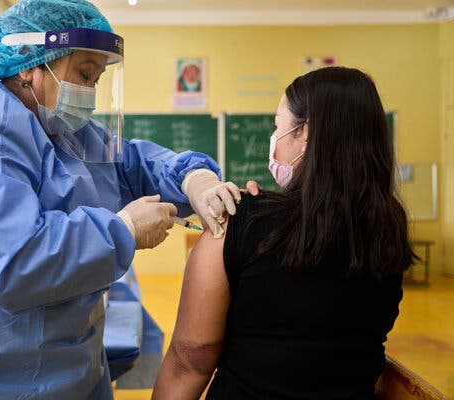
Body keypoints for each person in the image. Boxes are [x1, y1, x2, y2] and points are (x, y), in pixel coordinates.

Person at [0, 1, 248, 398]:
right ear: (29, 63)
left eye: (97, 79)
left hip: (69, 365)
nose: (90, 93)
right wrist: (123, 229)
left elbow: (132, 163)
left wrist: (194, 178)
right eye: (84, 74)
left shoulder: (60, 128)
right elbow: (9, 264)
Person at [152, 66, 415, 400]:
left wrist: (250, 215)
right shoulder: (387, 231)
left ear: (305, 134)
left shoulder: (238, 222)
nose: (273, 140)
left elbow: (188, 361)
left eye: (278, 126)